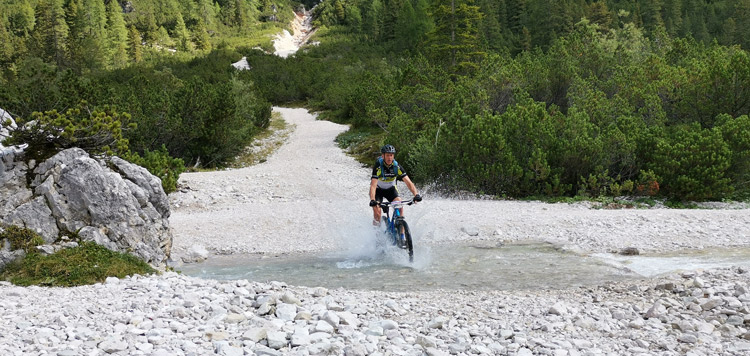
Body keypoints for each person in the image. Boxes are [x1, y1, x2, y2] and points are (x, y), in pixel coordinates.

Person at [369, 144, 422, 226]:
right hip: (378, 190)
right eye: (387, 155)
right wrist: (372, 200)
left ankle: (402, 235)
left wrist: (416, 194)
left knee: (400, 207)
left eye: (391, 155)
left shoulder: (397, 167)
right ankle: (376, 234)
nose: (389, 158)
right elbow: (373, 185)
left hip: (391, 189)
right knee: (377, 212)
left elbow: (409, 182)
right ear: (383, 156)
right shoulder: (378, 166)